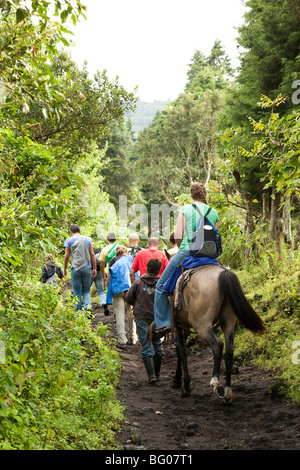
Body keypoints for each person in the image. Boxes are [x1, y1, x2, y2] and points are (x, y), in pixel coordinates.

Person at [152, 182, 220, 338]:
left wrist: (182, 246)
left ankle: (164, 323)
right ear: (205, 195)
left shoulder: (185, 209)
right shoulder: (213, 212)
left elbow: (178, 234)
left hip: (188, 251)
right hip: (210, 255)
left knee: (161, 285)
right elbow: (215, 234)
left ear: (191, 195)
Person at [126, 258, 164, 385]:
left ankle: (151, 376)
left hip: (141, 317)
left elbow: (129, 298)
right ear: (159, 270)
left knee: (147, 346)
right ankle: (157, 374)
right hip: (157, 318)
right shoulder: (161, 283)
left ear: (147, 267)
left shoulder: (138, 282)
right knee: (157, 344)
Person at [63, 224, 97, 312]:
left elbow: (66, 256)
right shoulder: (88, 240)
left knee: (77, 292)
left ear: (71, 232)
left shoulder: (69, 240)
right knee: (86, 291)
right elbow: (92, 254)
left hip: (75, 268)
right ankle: (87, 308)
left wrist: (64, 269)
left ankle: (78, 314)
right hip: (87, 268)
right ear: (79, 231)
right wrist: (94, 268)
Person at [106, 245, 133, 349]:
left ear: (116, 254)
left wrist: (109, 293)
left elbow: (109, 280)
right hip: (130, 289)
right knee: (131, 313)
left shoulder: (114, 262)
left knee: (119, 314)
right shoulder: (131, 260)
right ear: (126, 252)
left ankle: (122, 340)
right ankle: (133, 337)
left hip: (117, 290)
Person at [91, 246, 109, 316]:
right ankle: (104, 303)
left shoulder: (87, 249)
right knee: (101, 291)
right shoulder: (98, 249)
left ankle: (88, 308)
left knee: (86, 291)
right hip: (98, 271)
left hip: (90, 271)